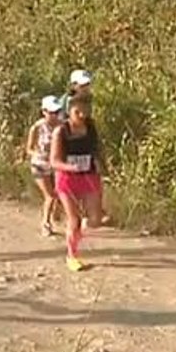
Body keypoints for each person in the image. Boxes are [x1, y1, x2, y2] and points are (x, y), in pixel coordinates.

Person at [49, 94, 108, 272]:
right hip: (67, 178)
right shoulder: (61, 131)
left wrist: (100, 163)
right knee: (73, 219)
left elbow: (96, 149)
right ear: (69, 111)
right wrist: (70, 167)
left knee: (95, 219)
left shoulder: (91, 126)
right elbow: (54, 161)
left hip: (89, 175)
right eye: (77, 111)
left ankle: (77, 233)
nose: (82, 115)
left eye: (85, 110)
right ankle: (72, 256)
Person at [25, 95, 63, 237]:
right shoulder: (37, 127)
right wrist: (38, 154)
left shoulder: (62, 126)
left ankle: (55, 214)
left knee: (60, 193)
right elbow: (28, 148)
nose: (54, 116)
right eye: (51, 112)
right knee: (50, 196)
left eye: (56, 112)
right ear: (44, 112)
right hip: (40, 164)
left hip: (56, 164)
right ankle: (45, 224)